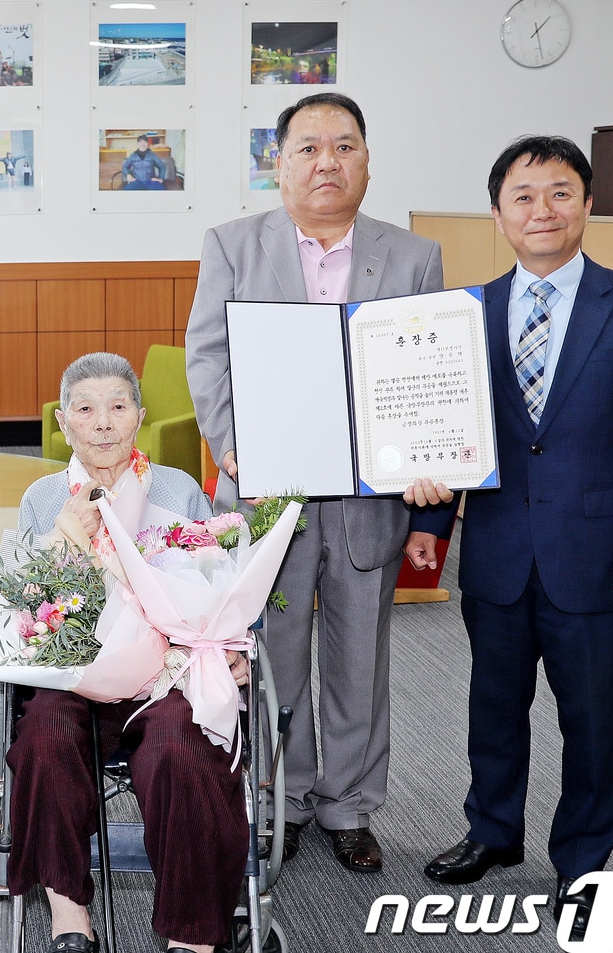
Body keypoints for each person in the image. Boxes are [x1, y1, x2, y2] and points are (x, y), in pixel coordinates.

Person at [405, 136, 613, 939]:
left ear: (586, 204)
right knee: (492, 705)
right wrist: (428, 526)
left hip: (599, 555)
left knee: (590, 718)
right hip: (500, 552)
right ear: (498, 212)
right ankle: (492, 830)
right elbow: (446, 438)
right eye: (523, 196)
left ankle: (583, 860)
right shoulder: (464, 313)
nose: (541, 210)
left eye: (558, 193)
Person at [185, 92, 443, 873]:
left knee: (360, 655)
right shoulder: (232, 244)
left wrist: (428, 454)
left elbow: (428, 369)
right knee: (272, 653)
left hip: (370, 497)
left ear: (367, 159)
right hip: (270, 494)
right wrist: (234, 450)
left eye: (345, 146)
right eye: (308, 147)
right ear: (279, 160)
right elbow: (209, 356)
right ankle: (283, 798)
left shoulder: (412, 256)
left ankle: (349, 804)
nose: (326, 161)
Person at [7, 353, 249, 953]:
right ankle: (70, 920)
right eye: (86, 410)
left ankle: (192, 934)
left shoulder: (178, 490)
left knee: (180, 740)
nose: (103, 423)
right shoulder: (42, 498)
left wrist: (230, 649)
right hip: (76, 674)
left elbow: (222, 585)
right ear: (64, 423)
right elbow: (23, 604)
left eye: (118, 406)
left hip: (164, 674)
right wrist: (65, 537)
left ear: (139, 417)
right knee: (42, 732)